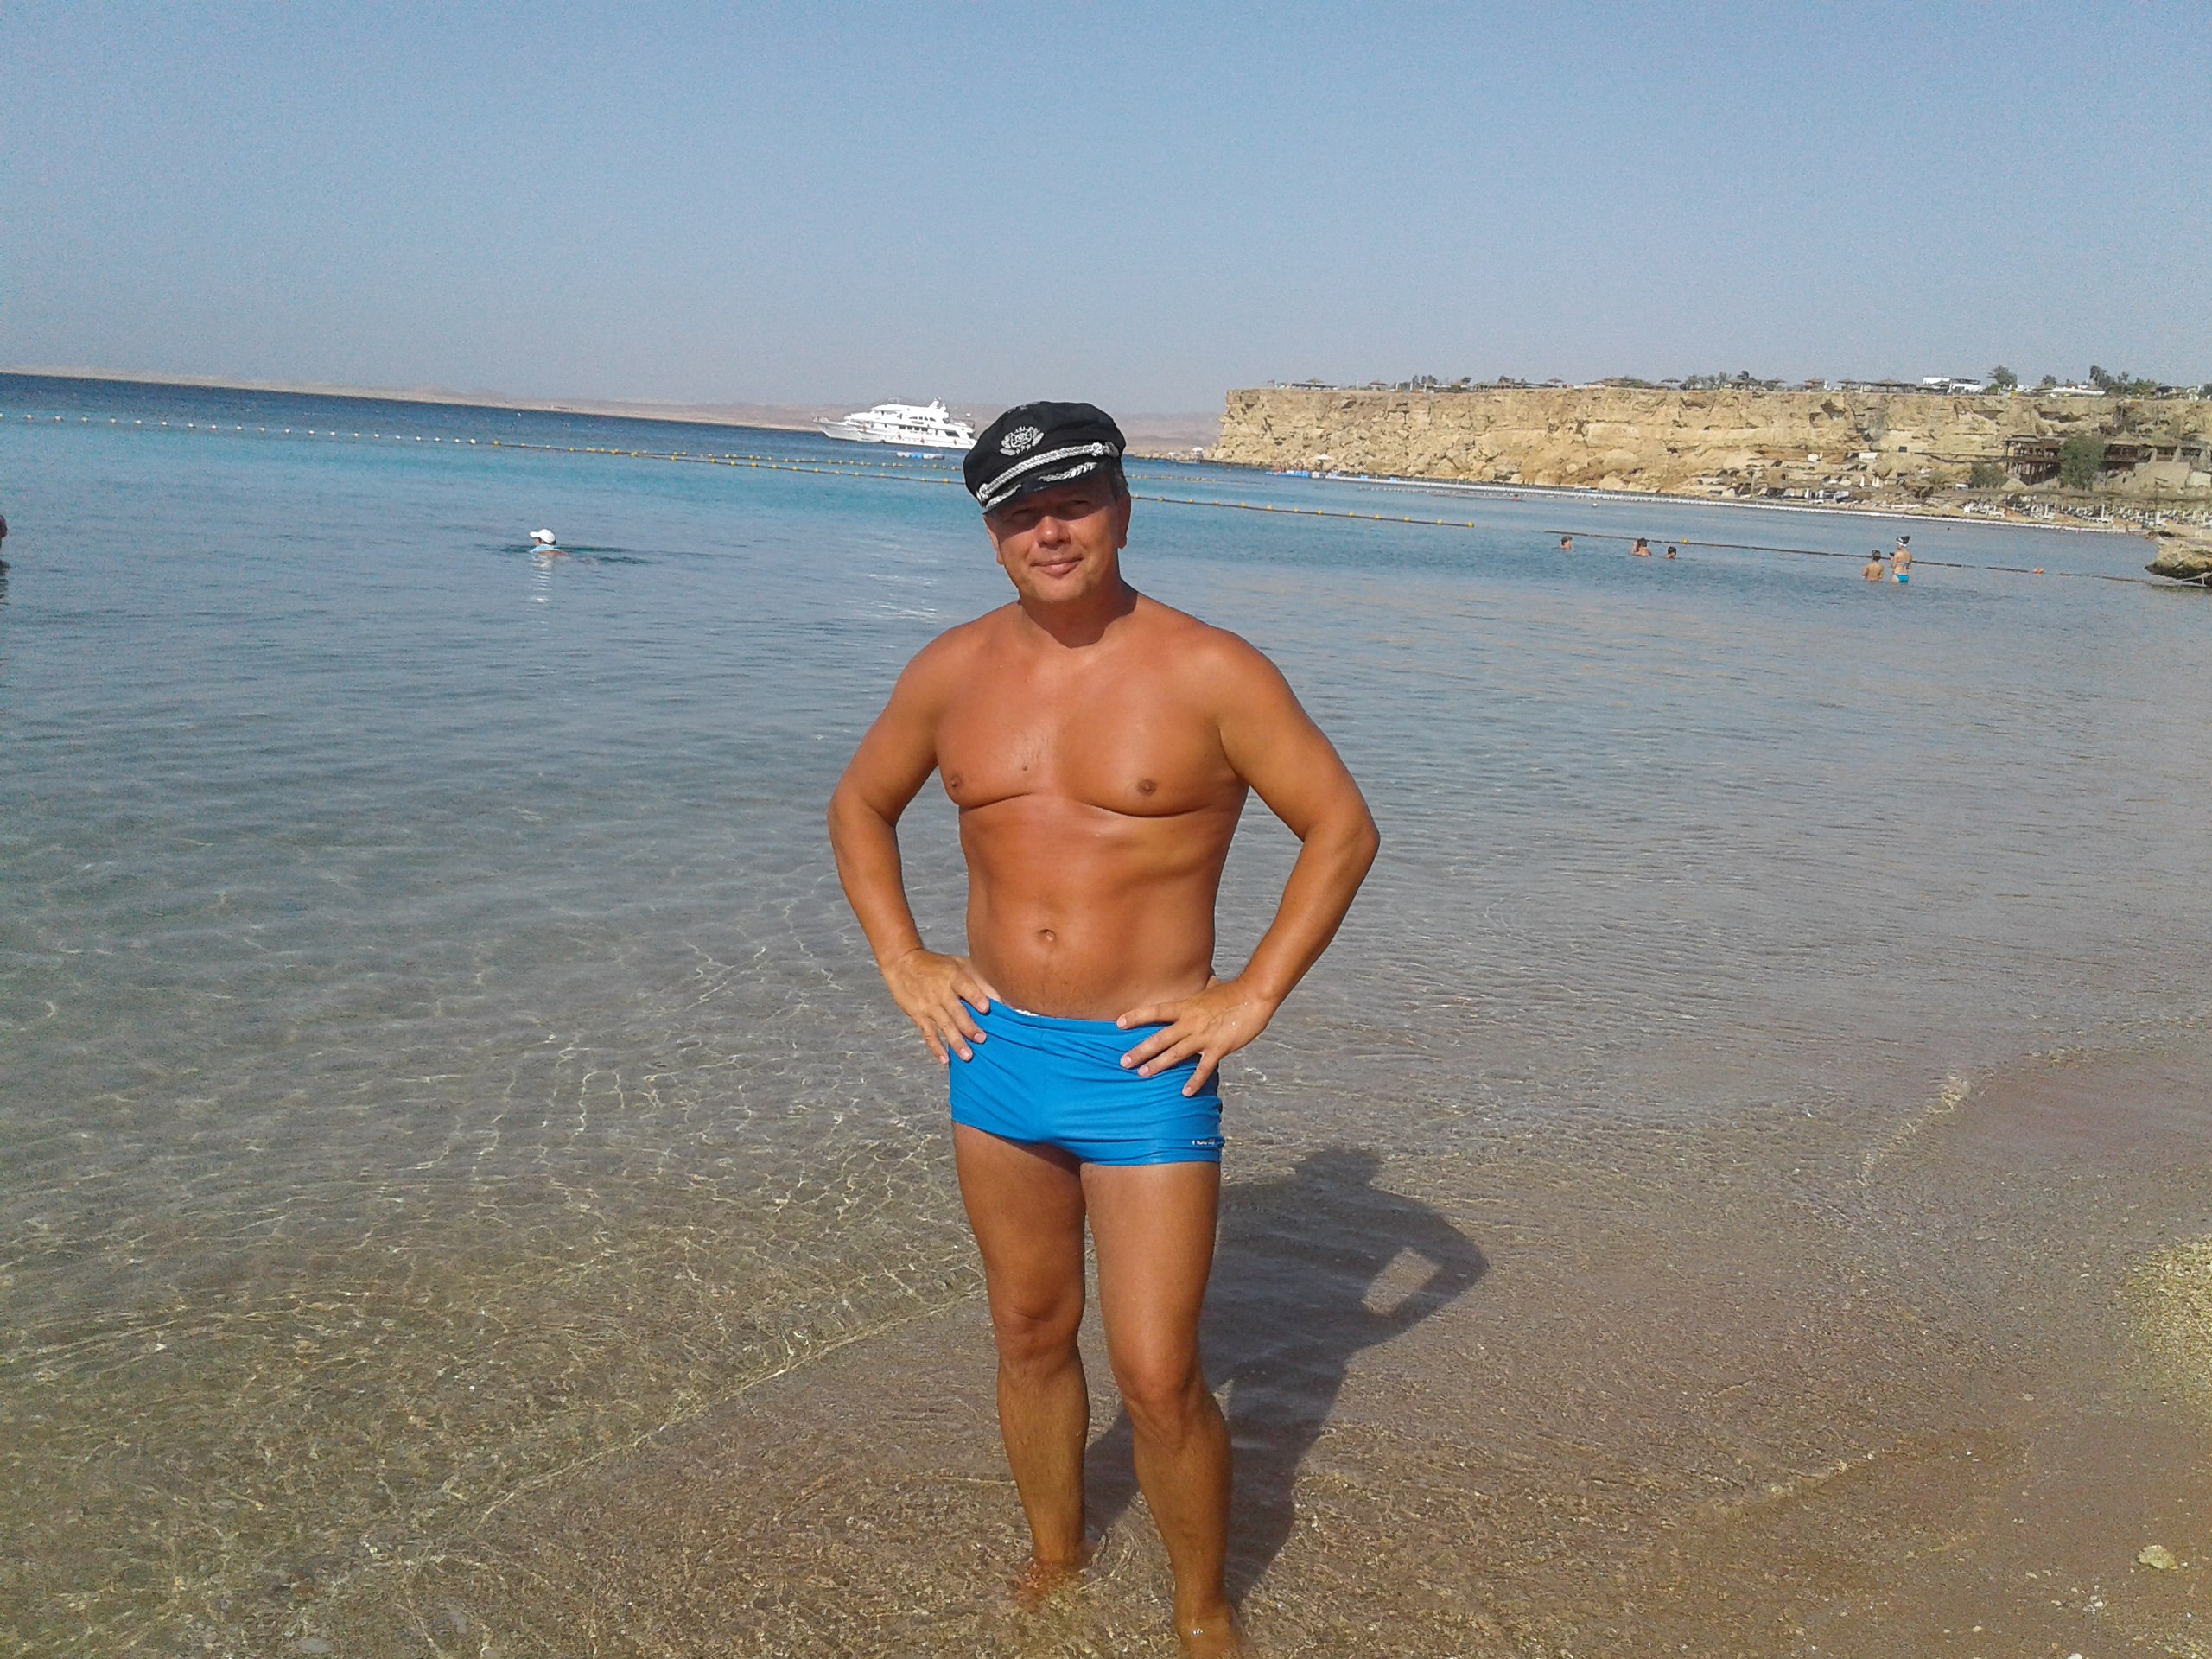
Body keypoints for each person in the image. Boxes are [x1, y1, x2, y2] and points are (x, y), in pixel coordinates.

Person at [828, 401, 1379, 1655]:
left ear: (1123, 508)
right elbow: (859, 807)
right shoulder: (952, 671)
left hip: (1141, 1067)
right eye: (1021, 513)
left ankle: (1202, 1611)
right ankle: (1058, 1557)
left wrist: (1251, 995)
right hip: (995, 1050)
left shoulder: (1210, 671)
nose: (1050, 532)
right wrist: (905, 959)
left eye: (1073, 503)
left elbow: (1341, 829)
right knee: (1028, 1333)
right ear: (991, 535)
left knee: (1158, 1372)